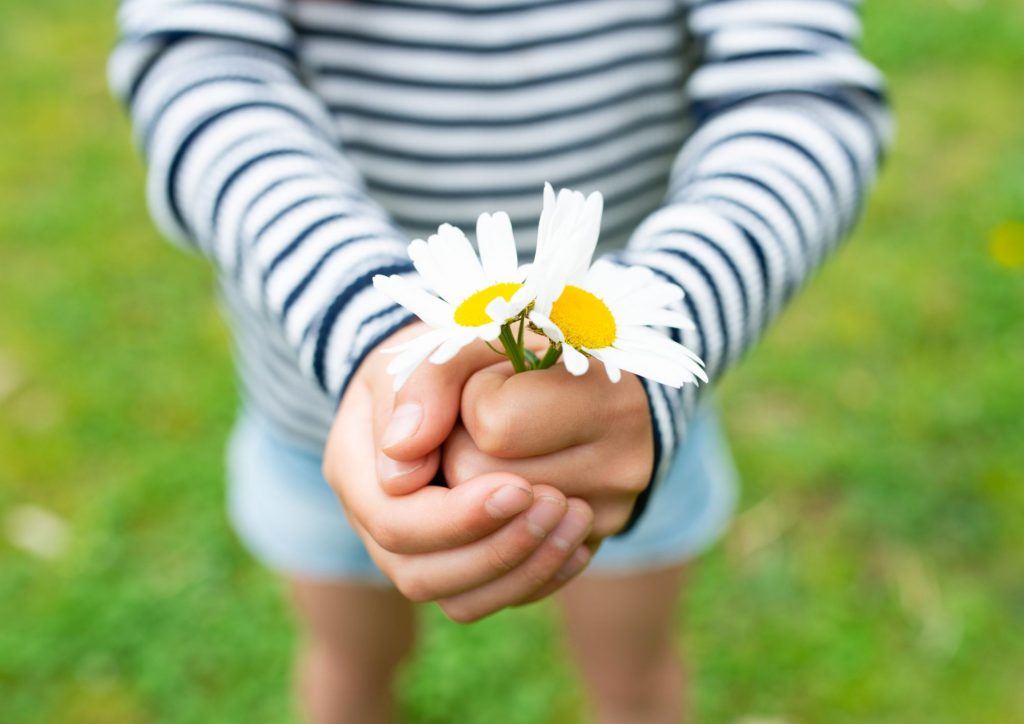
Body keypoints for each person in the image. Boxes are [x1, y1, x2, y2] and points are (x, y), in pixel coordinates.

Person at [109, 0, 890, 721]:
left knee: (635, 679)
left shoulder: (632, 395)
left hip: (624, 416)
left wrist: (667, 326)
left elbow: (801, 92)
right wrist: (370, 323)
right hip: (322, 419)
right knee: (349, 666)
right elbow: (197, 70)